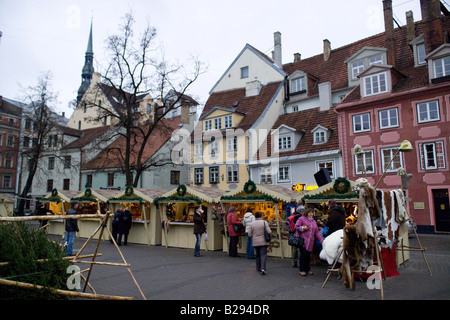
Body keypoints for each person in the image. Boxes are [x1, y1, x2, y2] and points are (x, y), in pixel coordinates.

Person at [295, 207, 323, 276]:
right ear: (306, 213)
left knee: (308, 256)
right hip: (303, 241)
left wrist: (321, 240)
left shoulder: (313, 221)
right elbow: (296, 227)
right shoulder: (301, 219)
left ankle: (308, 269)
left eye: (312, 212)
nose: (311, 214)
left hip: (310, 242)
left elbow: (316, 232)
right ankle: (302, 270)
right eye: (309, 212)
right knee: (303, 255)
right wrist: (303, 228)